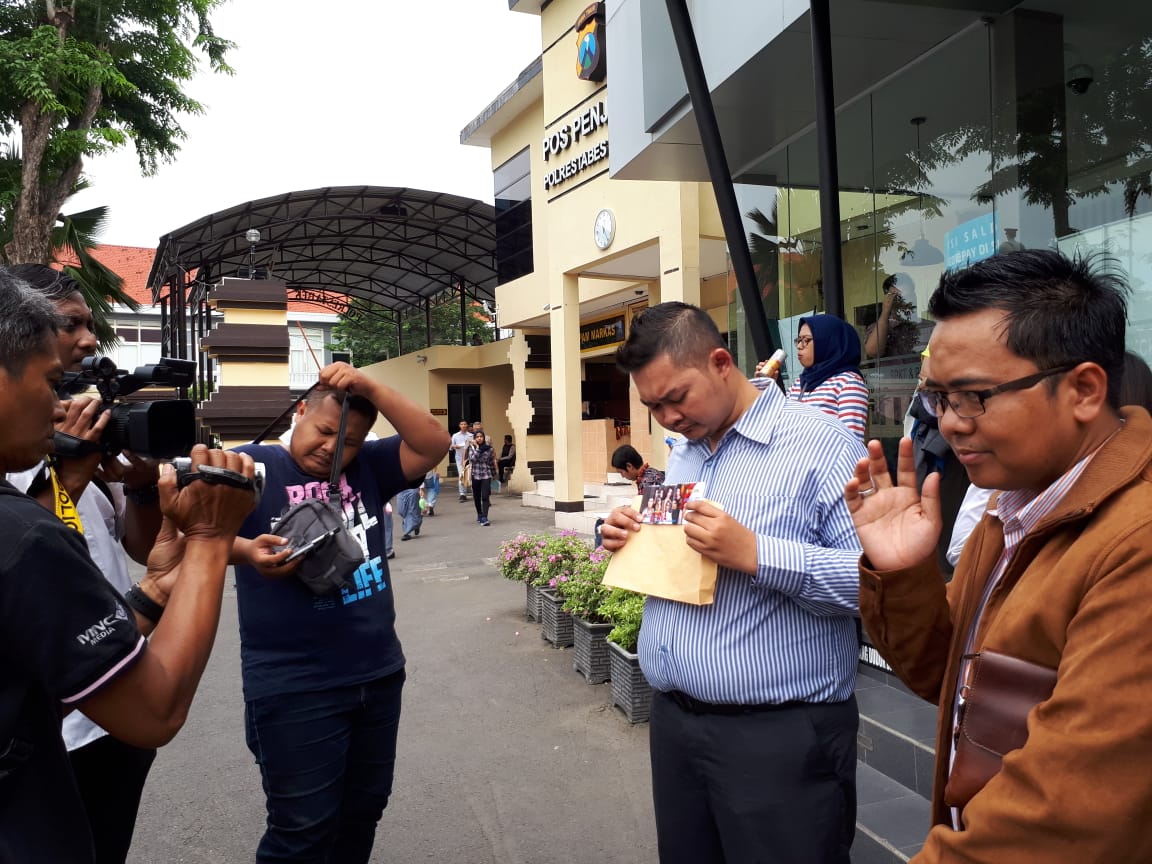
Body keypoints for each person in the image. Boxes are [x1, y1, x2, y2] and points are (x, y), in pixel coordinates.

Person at [846, 250, 1152, 861]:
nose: (950, 424)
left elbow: (1063, 815)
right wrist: (904, 573)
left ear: (1084, 390)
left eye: (974, 396)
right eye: (937, 397)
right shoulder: (1010, 507)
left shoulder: (1135, 542)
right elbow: (947, 678)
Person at [0, 270, 258, 863]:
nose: (89, 342)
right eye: (50, 380)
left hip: (82, 692)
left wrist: (154, 586)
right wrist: (214, 537)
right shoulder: (20, 528)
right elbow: (155, 709)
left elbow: (44, 622)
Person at [600, 302, 865, 864]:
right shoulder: (684, 455)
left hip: (780, 738)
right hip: (675, 724)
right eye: (653, 406)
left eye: (677, 397)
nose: (668, 417)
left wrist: (757, 554)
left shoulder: (822, 445)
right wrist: (629, 537)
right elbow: (676, 559)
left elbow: (876, 584)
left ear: (722, 362)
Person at [229, 361, 448, 864]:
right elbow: (178, 539)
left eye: (348, 441)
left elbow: (433, 443)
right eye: (325, 431)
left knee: (364, 810)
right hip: (295, 684)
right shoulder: (252, 466)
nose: (332, 448)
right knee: (302, 831)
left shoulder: (368, 466)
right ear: (300, 411)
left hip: (377, 673)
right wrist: (245, 553)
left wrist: (368, 385)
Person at [3, 265, 164, 864]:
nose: (91, 339)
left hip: (113, 705)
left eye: (91, 324)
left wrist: (144, 486)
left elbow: (142, 548)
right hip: (49, 732)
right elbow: (31, 545)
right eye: (72, 324)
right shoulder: (18, 445)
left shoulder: (90, 432)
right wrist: (61, 475)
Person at [755, 313, 869, 440]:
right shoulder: (800, 383)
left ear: (827, 342)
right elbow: (777, 425)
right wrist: (767, 388)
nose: (799, 346)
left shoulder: (848, 383)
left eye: (806, 340)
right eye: (798, 340)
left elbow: (851, 442)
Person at [864, 274, 917, 359]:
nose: (906, 302)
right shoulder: (877, 328)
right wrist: (885, 312)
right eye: (899, 297)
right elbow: (873, 351)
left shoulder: (928, 326)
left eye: (909, 296)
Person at [467, 430, 496, 526]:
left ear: (484, 438)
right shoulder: (471, 448)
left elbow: (491, 461)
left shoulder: (489, 449)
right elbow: (473, 459)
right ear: (475, 438)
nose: (479, 438)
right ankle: (479, 514)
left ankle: (484, 517)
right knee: (476, 496)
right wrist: (478, 448)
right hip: (475, 475)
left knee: (485, 496)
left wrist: (494, 473)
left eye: (481, 436)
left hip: (486, 475)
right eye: (477, 437)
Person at [450, 420, 471, 502]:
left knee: (468, 475)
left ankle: (472, 491)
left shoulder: (471, 435)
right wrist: (454, 446)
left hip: (469, 457)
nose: (463, 425)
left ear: (467, 425)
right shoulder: (455, 435)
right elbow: (451, 446)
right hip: (459, 458)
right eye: (461, 424)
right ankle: (462, 493)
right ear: (459, 425)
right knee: (461, 474)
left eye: (465, 424)